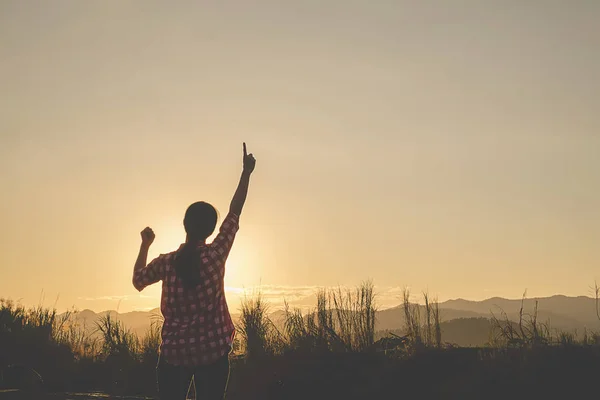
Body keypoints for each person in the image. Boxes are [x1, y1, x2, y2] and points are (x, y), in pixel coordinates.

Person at [132, 143, 256, 400]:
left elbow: (138, 280)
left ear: (185, 224)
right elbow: (235, 211)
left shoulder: (166, 262)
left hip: (174, 355)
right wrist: (246, 173)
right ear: (211, 230)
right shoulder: (215, 255)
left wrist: (145, 245)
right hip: (212, 354)